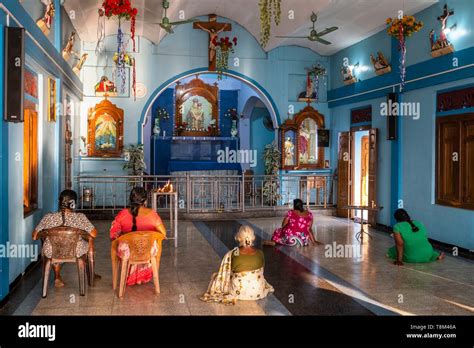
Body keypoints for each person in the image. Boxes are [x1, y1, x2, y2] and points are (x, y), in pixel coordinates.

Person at [32, 190, 98, 288]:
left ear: (59, 202)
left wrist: (46, 233)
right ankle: (90, 273)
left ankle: (57, 277)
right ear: (74, 203)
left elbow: (34, 236)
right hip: (76, 250)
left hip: (52, 251)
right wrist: (83, 232)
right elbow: (94, 233)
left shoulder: (49, 217)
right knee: (90, 243)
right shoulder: (79, 217)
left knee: (55, 245)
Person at [201, 225, 273, 305]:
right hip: (258, 291)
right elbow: (261, 269)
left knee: (217, 277)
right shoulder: (260, 253)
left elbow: (228, 272)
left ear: (238, 238)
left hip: (238, 292)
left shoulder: (233, 253)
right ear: (253, 237)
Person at [110, 187, 166, 286]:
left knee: (119, 245)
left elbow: (113, 235)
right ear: (145, 200)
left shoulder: (122, 214)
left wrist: (125, 237)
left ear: (130, 199)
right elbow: (163, 234)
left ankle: (120, 280)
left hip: (128, 253)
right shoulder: (153, 214)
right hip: (147, 251)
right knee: (156, 243)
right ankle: (150, 276)